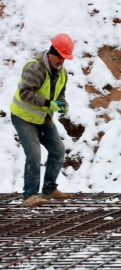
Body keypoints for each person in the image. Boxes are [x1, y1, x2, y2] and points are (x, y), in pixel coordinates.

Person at [10, 33, 75, 207]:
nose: (62, 61)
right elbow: (25, 93)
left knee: (58, 151)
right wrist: (48, 103)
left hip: (43, 118)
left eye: (65, 58)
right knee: (34, 155)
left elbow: (60, 93)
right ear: (52, 52)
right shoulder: (35, 68)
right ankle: (29, 196)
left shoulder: (62, 73)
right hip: (23, 118)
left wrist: (62, 104)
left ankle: (49, 188)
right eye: (60, 57)